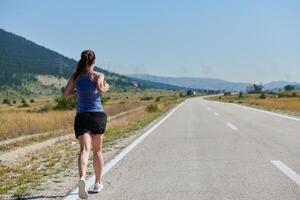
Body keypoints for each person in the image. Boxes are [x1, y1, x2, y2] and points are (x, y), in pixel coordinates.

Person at [63, 50, 109, 199]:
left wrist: (78, 91)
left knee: (84, 150)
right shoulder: (98, 75)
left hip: (82, 116)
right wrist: (106, 87)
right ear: (94, 61)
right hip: (97, 116)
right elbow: (101, 89)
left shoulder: (76, 76)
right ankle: (97, 182)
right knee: (97, 151)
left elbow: (65, 93)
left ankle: (82, 178)